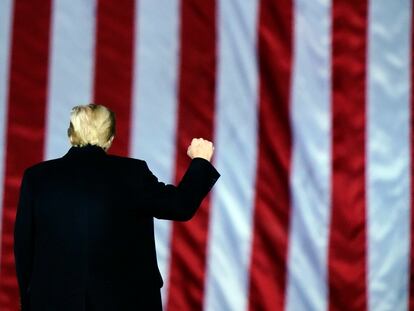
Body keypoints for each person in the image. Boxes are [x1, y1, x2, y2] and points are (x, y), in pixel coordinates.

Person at [14, 104, 220, 310]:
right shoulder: (133, 174)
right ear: (110, 138)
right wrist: (200, 160)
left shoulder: (37, 178)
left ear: (71, 135)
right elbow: (180, 206)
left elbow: (24, 246)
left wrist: (29, 301)